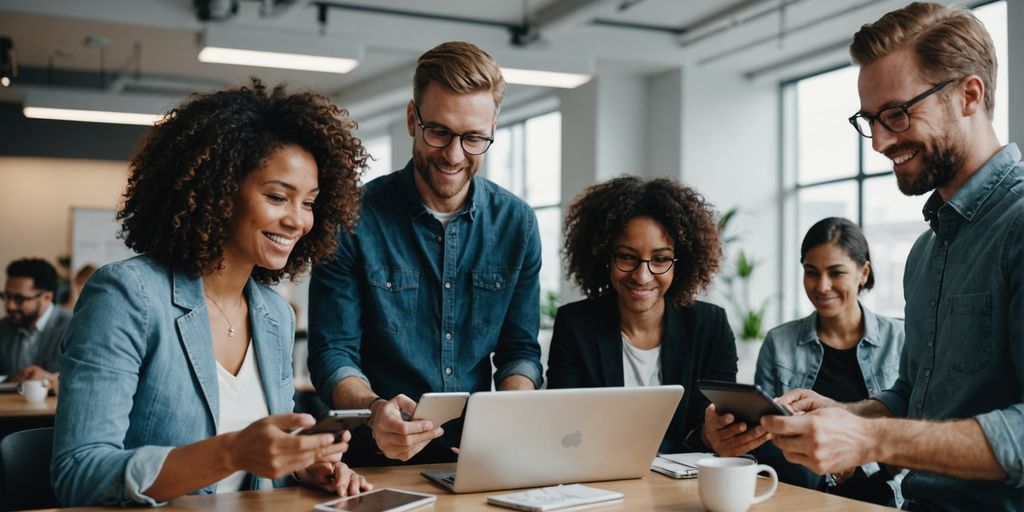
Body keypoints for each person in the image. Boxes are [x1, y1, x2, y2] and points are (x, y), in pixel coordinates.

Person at [51, 80, 372, 506]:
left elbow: (259, 462)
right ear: (218, 192)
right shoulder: (127, 295)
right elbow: (80, 474)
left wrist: (303, 465)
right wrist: (230, 452)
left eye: (309, 203)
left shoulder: (276, 316)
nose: (298, 221)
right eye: (278, 196)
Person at [761, 3, 1024, 510]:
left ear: (970, 95)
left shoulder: (1016, 228)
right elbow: (914, 398)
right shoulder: (926, 251)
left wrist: (873, 441)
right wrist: (844, 416)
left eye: (898, 114)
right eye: (870, 119)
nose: (880, 140)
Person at [308, 41, 543, 466]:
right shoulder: (352, 219)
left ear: (493, 126)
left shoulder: (518, 224)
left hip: (477, 458)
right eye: (439, 132)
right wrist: (375, 409)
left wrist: (506, 415)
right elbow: (332, 353)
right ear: (412, 119)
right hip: (372, 460)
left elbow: (521, 352)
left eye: (473, 138)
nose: (454, 156)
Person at [546, 176, 755, 456]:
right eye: (627, 257)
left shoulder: (710, 326)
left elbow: (706, 425)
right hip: (600, 479)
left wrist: (714, 434)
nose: (642, 276)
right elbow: (564, 426)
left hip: (687, 486)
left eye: (660, 259)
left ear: (681, 262)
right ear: (604, 257)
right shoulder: (574, 325)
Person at [754, 217, 904, 504]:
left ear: (863, 272)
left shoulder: (902, 339)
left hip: (883, 498)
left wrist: (854, 459)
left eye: (836, 273)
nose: (822, 286)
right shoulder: (779, 342)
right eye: (812, 272)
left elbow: (914, 429)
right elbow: (765, 438)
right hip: (800, 495)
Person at [0, 257, 72, 390]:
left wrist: (50, 379)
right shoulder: (4, 328)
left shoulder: (72, 326)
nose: (9, 306)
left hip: (53, 409)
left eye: (19, 299)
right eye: (6, 296)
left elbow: (85, 378)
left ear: (47, 297)